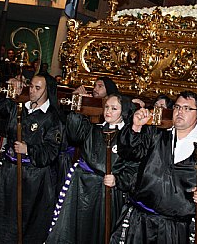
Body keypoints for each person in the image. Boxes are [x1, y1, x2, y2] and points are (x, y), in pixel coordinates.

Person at [110, 90, 197, 244]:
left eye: (187, 108)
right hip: (140, 221)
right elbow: (129, 152)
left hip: (174, 228)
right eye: (177, 107)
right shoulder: (156, 133)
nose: (180, 112)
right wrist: (135, 127)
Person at [0, 74, 63, 243]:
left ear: (48, 91)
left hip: (32, 176)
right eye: (31, 86)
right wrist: (6, 84)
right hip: (9, 171)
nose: (32, 91)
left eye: (38, 88)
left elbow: (51, 151)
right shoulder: (18, 107)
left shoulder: (52, 118)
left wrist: (28, 150)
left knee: (25, 217)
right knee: (3, 211)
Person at [47, 93, 137, 243]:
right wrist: (76, 108)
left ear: (124, 111)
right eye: (107, 107)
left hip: (106, 191)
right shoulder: (93, 130)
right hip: (82, 188)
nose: (108, 111)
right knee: (77, 229)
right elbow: (74, 134)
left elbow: (133, 168)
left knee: (100, 232)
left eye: (114, 108)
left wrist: (118, 180)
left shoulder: (128, 138)